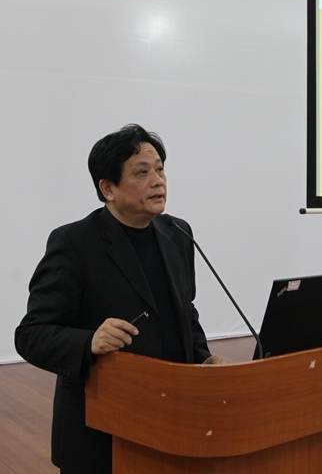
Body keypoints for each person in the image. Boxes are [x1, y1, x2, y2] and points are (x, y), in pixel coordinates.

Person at [15, 124, 223, 474]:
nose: (157, 181)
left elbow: (184, 311)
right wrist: (88, 342)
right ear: (107, 188)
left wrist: (203, 358)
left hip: (173, 421)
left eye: (160, 169)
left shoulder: (178, 233)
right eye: (142, 173)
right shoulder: (74, 243)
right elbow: (31, 334)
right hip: (103, 433)